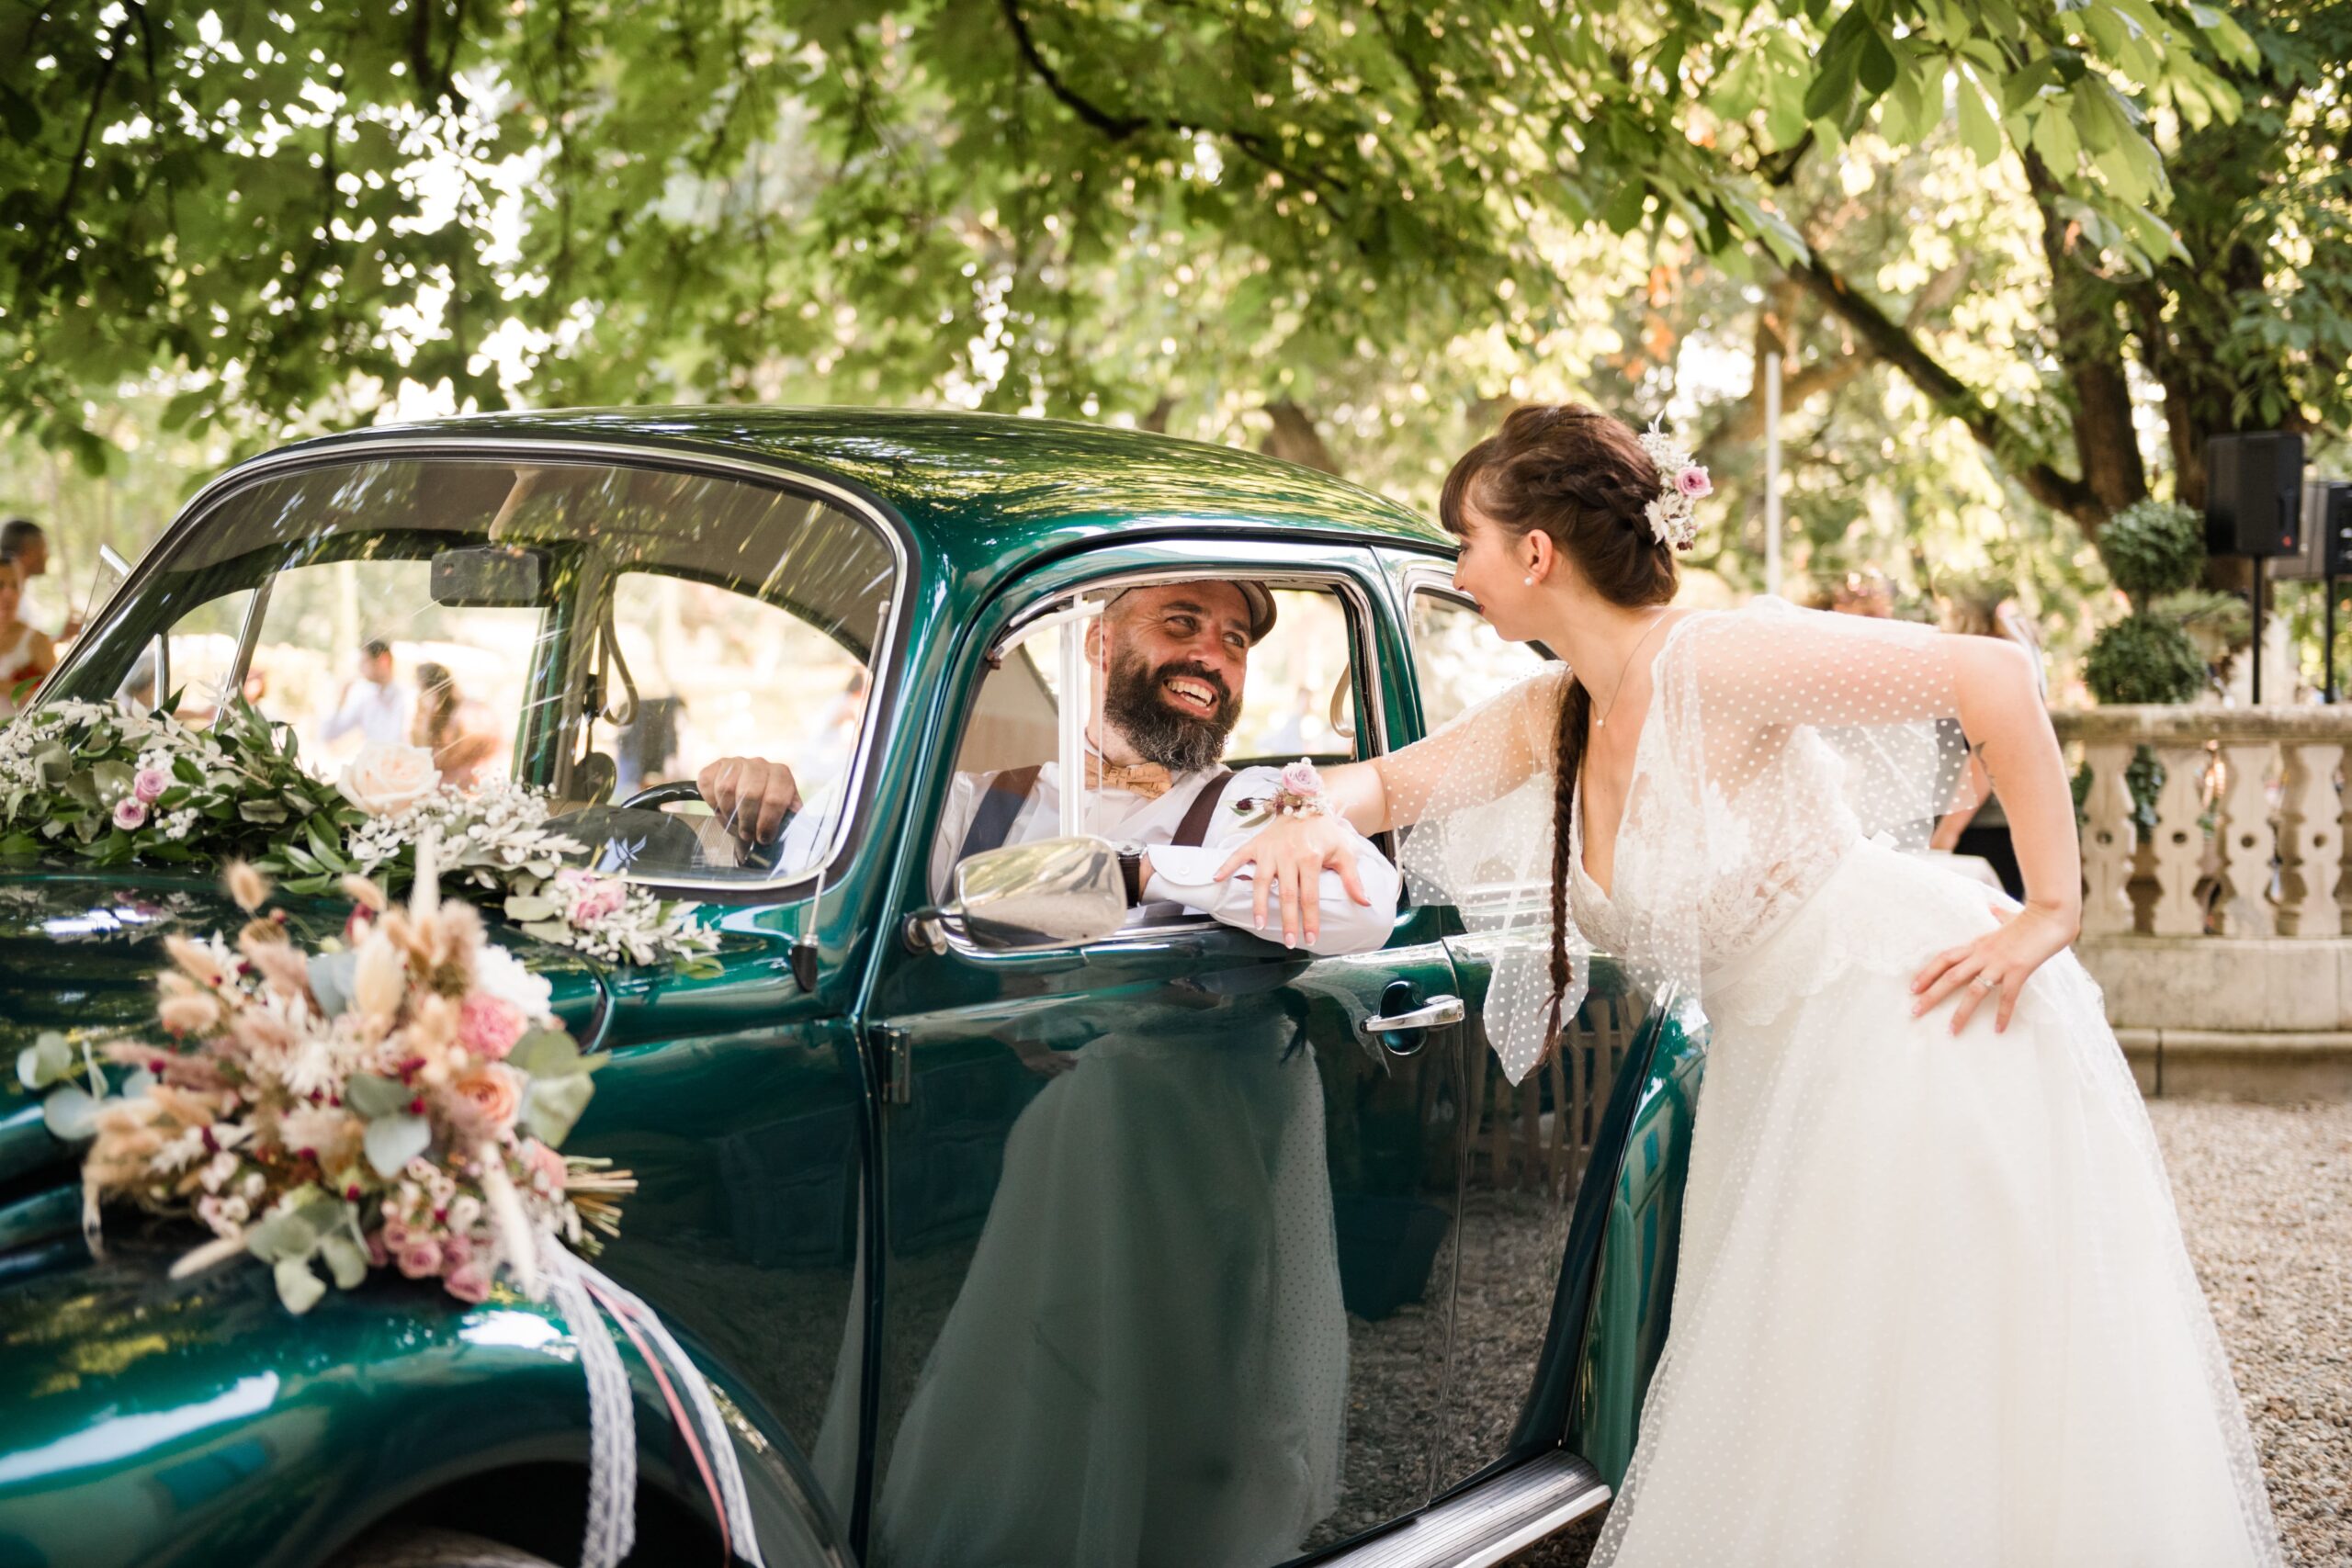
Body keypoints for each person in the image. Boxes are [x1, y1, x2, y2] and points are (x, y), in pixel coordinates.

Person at [1219, 405, 2280, 1566]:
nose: (1457, 568)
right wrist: (1299, 812)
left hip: (1900, 1017)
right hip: (1770, 1057)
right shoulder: (1555, 713)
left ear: (1534, 552)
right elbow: (1382, 786)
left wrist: (2052, 911)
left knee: (1901, 1380)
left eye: (1464, 539)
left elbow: (1992, 674)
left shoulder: (1712, 659)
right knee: (1794, 1382)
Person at [701, 579, 1399, 953]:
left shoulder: (1251, 803)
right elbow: (831, 874)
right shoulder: (974, 801)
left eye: (1235, 640)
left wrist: (1136, 873)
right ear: (1099, 642)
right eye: (1181, 623)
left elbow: (1365, 908)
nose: (1211, 657)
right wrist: (772, 812)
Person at [1928, 585, 2049, 898]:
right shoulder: (2017, 657)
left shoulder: (1990, 663)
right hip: (1995, 819)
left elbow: (1987, 755)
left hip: (1982, 824)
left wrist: (1947, 833)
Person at [409, 662, 501, 789]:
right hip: (444, 785)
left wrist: (426, 716)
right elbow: (419, 756)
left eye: (422, 689)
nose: (419, 696)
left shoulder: (468, 713)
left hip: (466, 785)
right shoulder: (431, 717)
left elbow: (437, 760)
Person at [320, 638, 413, 750]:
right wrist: (340, 701)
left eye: (365, 661)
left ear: (384, 661)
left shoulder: (408, 698)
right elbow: (328, 733)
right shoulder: (365, 699)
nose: (360, 668)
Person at [0, 518, 80, 640]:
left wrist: (61, 637)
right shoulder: (9, 603)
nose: (47, 555)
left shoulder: (25, 597)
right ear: (28, 551)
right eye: (44, 549)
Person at [0, 554, 57, 720]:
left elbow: (56, 696)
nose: (8, 594)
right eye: (0, 585)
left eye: (15, 585)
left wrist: (7, 688)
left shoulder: (36, 640)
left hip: (19, 732)